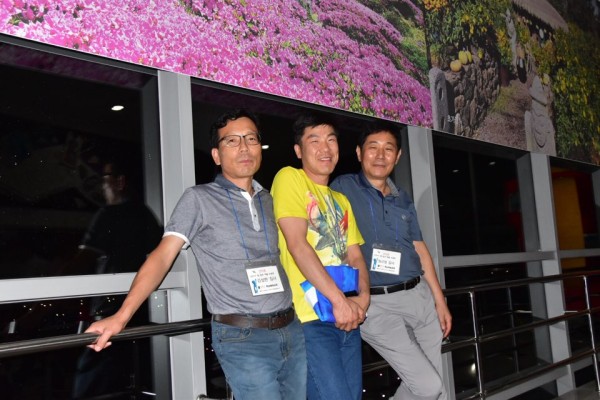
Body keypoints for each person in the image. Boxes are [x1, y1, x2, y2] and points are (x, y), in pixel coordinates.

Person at [85, 109, 307, 400]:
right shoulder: (199, 198)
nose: (244, 147)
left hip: (291, 329)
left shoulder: (270, 200)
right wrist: (121, 316)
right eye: (232, 140)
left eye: (251, 139)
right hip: (243, 336)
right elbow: (162, 256)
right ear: (216, 155)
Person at [331, 121, 452, 400]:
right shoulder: (343, 188)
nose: (380, 155)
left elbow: (420, 250)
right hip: (376, 305)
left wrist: (440, 300)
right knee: (429, 386)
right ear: (359, 153)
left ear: (397, 157)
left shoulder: (403, 198)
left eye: (388, 149)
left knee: (434, 389)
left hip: (419, 296)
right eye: (373, 147)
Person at [271, 112, 370, 400]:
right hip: (310, 319)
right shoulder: (290, 178)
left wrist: (363, 299)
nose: (325, 148)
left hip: (347, 315)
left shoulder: (341, 200)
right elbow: (297, 245)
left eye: (331, 140)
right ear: (298, 150)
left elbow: (355, 256)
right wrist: (340, 301)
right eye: (314, 141)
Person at [72, 158, 163, 398]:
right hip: (140, 313)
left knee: (91, 386)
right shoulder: (145, 215)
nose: (102, 186)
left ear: (120, 182)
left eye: (105, 179)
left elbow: (83, 260)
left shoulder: (109, 215)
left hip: (109, 314)